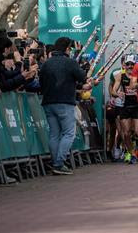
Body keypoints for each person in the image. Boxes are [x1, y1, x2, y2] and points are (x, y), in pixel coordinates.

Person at [39, 37, 98, 175]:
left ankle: (56, 163)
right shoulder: (70, 62)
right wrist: (87, 82)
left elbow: (42, 81)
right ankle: (59, 163)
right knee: (68, 133)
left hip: (48, 102)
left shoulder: (47, 64)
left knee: (54, 134)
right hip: (65, 102)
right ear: (67, 49)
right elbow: (82, 77)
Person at [115, 55, 138, 164]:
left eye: (132, 64)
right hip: (125, 105)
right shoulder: (120, 75)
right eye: (127, 64)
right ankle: (131, 152)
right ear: (124, 65)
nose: (130, 67)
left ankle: (132, 145)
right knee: (126, 132)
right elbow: (113, 90)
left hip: (137, 106)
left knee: (137, 131)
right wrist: (117, 93)